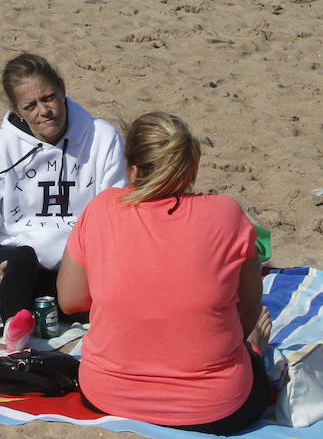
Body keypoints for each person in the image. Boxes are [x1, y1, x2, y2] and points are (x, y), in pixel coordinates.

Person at [56, 111, 270, 433]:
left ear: (132, 169)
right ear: (190, 167)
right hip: (215, 406)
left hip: (107, 395)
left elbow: (70, 301)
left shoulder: (103, 209)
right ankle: (254, 350)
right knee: (249, 353)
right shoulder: (225, 214)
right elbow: (250, 307)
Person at [0, 53, 126, 320]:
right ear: (18, 111)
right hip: (19, 266)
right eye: (30, 106)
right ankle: (15, 334)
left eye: (48, 98)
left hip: (80, 266)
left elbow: (115, 213)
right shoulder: (0, 146)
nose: (44, 111)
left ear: (62, 89)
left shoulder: (102, 137)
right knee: (23, 260)